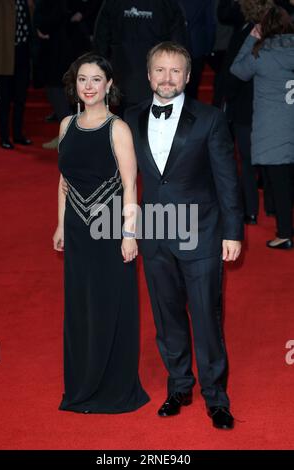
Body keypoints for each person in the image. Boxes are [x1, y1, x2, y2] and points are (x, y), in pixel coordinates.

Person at [124, 42, 244, 429]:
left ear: (188, 77)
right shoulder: (132, 116)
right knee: (167, 315)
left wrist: (232, 231)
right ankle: (179, 385)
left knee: (207, 317)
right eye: (160, 70)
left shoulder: (209, 119)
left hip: (202, 232)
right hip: (155, 232)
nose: (167, 78)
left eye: (175, 71)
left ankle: (216, 397)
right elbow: (125, 178)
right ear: (148, 75)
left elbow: (228, 179)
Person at [53, 52, 149, 413]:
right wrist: (61, 224)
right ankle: (82, 383)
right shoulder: (66, 126)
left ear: (109, 85)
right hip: (77, 231)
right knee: (80, 308)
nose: (89, 86)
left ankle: (113, 387)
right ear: (74, 85)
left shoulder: (118, 129)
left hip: (110, 231)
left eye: (96, 79)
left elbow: (130, 186)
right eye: (82, 79)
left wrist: (129, 234)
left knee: (111, 306)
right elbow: (63, 181)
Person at [230, 5, 294, 249]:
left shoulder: (262, 53)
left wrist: (251, 39)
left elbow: (237, 70)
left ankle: (285, 233)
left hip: (273, 127)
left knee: (278, 182)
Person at [93, 0, 187, 113]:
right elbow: (178, 41)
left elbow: (100, 40)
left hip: (125, 71)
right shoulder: (167, 3)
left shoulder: (112, 3)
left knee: (126, 115)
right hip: (155, 73)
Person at [0, 0, 32, 150]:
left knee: (20, 97)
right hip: (4, 53)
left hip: (22, 51)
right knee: (4, 99)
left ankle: (17, 134)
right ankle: (3, 136)